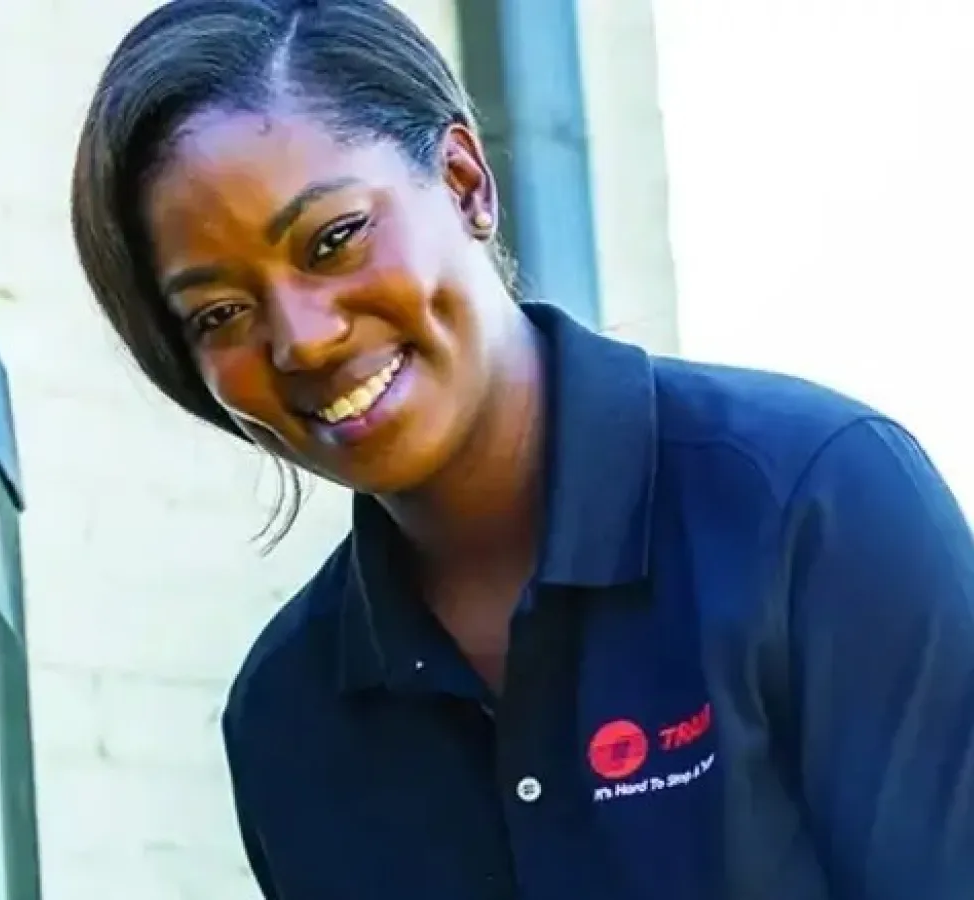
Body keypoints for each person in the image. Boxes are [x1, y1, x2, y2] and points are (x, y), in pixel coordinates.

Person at [69, 0, 974, 897]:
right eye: (220, 313)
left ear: (465, 182)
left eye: (335, 238)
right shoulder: (287, 715)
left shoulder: (813, 504)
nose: (301, 340)